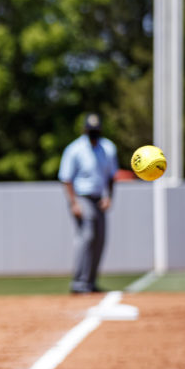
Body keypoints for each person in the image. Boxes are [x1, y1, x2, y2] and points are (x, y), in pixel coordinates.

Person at [58, 112, 119, 294]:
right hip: (82, 196)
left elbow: (111, 176)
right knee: (87, 236)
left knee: (100, 239)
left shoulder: (108, 148)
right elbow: (66, 178)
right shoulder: (75, 149)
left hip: (100, 199)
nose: (93, 133)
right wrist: (73, 202)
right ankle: (79, 283)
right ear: (85, 130)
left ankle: (90, 282)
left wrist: (109, 197)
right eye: (90, 130)